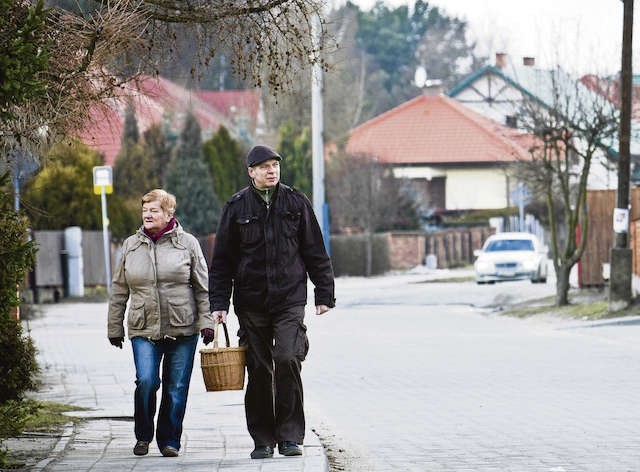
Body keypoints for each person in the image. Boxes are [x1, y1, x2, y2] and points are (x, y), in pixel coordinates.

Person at [209, 145, 335, 459]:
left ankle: (291, 436)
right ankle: (263, 439)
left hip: (290, 298)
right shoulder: (236, 207)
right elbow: (222, 260)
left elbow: (315, 251)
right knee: (259, 368)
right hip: (251, 302)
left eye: (275, 165)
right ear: (250, 172)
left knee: (288, 357)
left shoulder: (296, 202)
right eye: (264, 166)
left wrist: (324, 294)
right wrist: (219, 303)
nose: (271, 171)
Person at [107, 189, 215, 457]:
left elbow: (203, 288)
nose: (148, 214)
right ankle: (143, 435)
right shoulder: (131, 245)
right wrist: (114, 327)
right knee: (146, 381)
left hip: (183, 326)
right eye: (145, 209)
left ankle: (169, 440)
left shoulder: (188, 244)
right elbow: (119, 289)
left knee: (176, 388)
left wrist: (207, 321)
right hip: (143, 326)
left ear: (169, 214)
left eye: (154, 210)